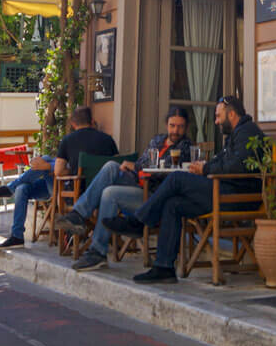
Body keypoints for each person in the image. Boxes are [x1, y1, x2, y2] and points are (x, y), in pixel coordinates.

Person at [103, 96, 263, 284]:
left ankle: (139, 221)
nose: (216, 121)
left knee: (177, 178)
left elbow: (237, 166)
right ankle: (164, 267)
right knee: (173, 204)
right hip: (223, 191)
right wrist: (205, 166)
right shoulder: (236, 134)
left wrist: (206, 169)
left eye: (218, 116)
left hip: (236, 196)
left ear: (232, 114)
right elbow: (222, 162)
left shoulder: (247, 132)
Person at [56, 106, 193, 272]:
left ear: (186, 127)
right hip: (138, 185)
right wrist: (134, 166)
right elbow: (143, 162)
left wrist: (136, 166)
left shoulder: (186, 146)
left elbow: (166, 171)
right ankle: (79, 215)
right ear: (167, 124)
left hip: (155, 196)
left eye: (180, 127)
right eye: (172, 125)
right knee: (111, 166)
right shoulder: (157, 140)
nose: (176, 131)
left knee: (109, 193)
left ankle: (97, 251)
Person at [0, 107, 117, 250]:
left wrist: (49, 167)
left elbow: (58, 172)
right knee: (23, 188)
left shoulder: (68, 140)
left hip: (71, 194)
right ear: (92, 121)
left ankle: (11, 190)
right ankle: (17, 235)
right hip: (103, 194)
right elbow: (115, 167)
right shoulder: (108, 140)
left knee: (46, 161)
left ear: (73, 124)